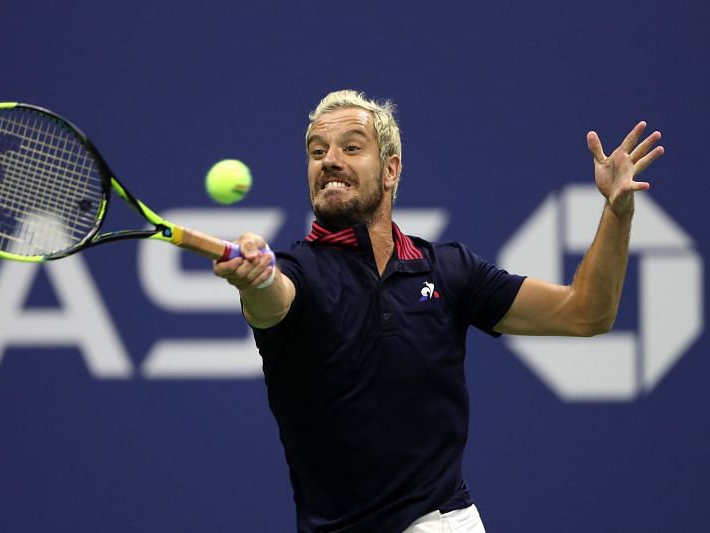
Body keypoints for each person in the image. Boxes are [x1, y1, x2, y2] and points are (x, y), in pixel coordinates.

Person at [213, 90, 664, 533]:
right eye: (317, 151)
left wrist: (617, 210)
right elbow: (272, 299)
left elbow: (586, 313)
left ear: (391, 170)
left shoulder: (448, 270)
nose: (329, 160)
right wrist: (259, 275)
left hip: (438, 521)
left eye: (351, 147)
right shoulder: (298, 273)